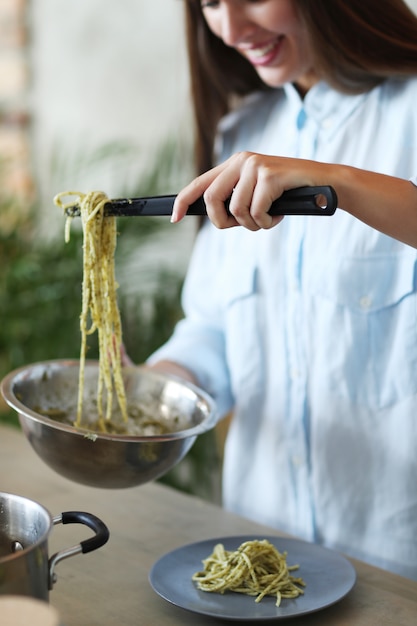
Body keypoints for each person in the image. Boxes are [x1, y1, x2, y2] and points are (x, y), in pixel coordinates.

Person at [146, 0, 417, 579]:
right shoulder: (241, 132)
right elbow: (215, 324)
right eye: (212, 3)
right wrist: (157, 390)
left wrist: (339, 181)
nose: (232, 28)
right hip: (262, 555)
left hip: (397, 560)